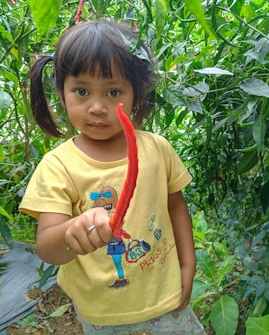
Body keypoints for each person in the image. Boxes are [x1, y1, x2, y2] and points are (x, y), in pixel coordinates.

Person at [20, 20, 205, 334]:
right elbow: (47, 248)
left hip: (166, 297)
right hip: (101, 314)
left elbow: (176, 207)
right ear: (61, 93)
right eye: (81, 90)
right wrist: (69, 233)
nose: (96, 107)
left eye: (113, 91)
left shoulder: (157, 149)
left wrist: (188, 265)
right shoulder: (57, 166)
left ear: (136, 93)